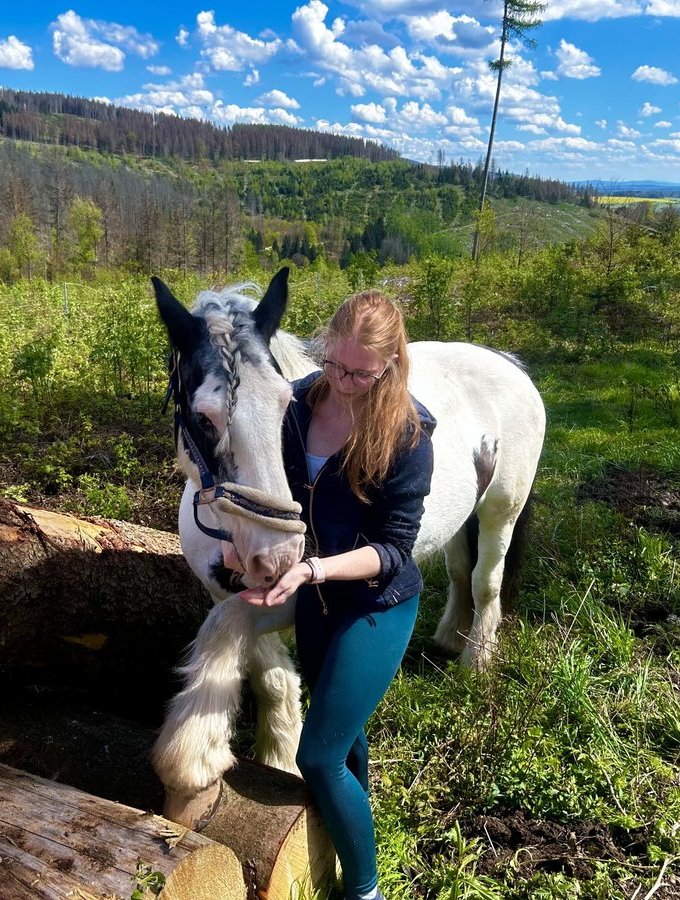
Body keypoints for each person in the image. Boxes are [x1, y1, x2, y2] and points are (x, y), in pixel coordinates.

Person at [237, 289, 435, 900]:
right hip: (318, 603)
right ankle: (354, 820)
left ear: (390, 366)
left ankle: (366, 889)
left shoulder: (407, 434)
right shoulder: (291, 407)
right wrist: (233, 540)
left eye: (361, 372)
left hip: (376, 605)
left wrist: (314, 572)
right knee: (342, 736)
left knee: (317, 756)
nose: (344, 382)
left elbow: (395, 548)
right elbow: (254, 480)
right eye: (334, 364)